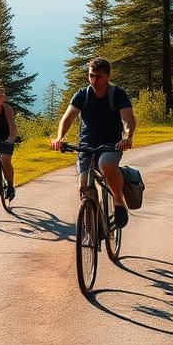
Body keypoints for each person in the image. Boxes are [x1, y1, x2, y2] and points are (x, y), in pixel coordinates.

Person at [49, 58, 136, 227]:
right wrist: (60, 138)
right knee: (85, 186)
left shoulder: (118, 94)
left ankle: (119, 201)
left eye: (98, 77)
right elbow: (67, 119)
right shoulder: (83, 94)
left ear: (107, 77)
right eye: (91, 76)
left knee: (105, 163)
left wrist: (128, 136)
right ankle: (92, 225)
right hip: (86, 146)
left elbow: (128, 119)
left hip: (111, 144)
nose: (94, 80)